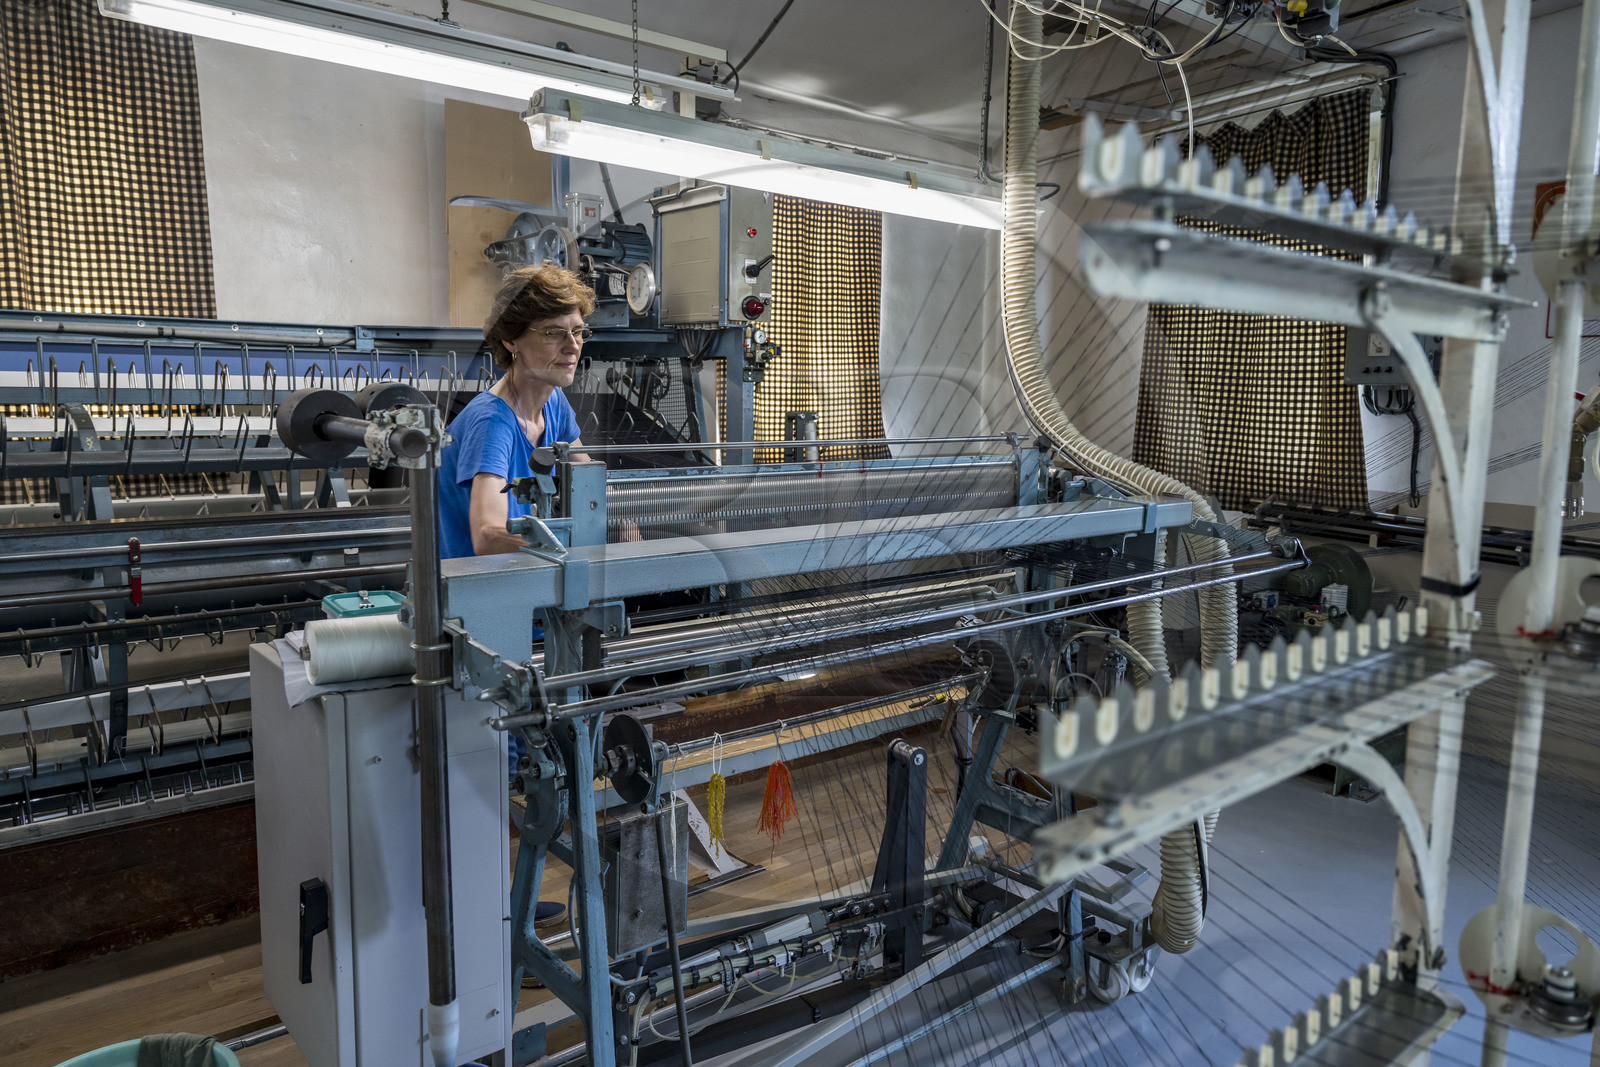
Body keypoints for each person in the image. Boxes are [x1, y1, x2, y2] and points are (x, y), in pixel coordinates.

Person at [438, 263, 593, 560]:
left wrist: (622, 523)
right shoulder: (493, 423)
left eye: (579, 331)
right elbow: (488, 537)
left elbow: (589, 484)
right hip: (475, 592)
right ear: (511, 340)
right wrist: (567, 558)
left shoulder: (554, 402)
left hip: (519, 577)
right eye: (554, 333)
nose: (573, 346)